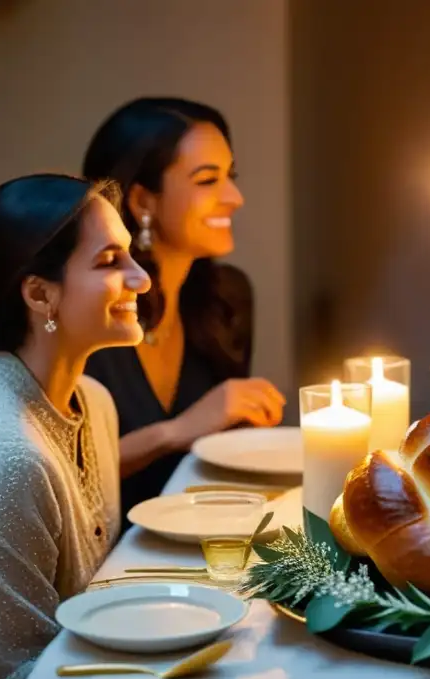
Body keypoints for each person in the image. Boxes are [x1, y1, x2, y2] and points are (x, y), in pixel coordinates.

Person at [0, 174, 150, 679]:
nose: (143, 278)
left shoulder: (95, 403)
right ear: (39, 294)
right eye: (110, 261)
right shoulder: (8, 456)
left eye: (131, 254)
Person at [82, 98, 285, 520]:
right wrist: (176, 431)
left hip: (202, 538)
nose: (235, 197)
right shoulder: (88, 310)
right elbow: (59, 475)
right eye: (208, 180)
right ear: (142, 201)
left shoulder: (227, 298)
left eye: (231, 176)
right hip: (108, 560)